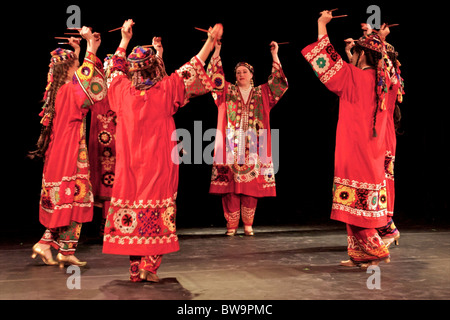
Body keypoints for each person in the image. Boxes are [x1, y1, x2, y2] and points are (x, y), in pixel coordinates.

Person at [102, 19, 223, 282]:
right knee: (156, 212)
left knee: (130, 211)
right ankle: (150, 266)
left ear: (133, 72)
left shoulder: (122, 92)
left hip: (129, 168)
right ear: (155, 69)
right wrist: (210, 41)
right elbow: (193, 67)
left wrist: (123, 39)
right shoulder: (165, 90)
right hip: (159, 165)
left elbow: (113, 69)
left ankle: (135, 269)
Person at [301, 10, 404, 268]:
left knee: (354, 203)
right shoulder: (387, 84)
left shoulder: (353, 77)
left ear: (361, 56)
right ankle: (359, 254)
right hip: (374, 151)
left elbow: (324, 60)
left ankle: (375, 250)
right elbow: (385, 63)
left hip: (353, 149)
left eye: (355, 54)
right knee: (356, 202)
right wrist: (376, 38)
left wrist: (321, 24)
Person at [29, 27, 106, 268]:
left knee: (72, 202)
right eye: (74, 64)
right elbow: (88, 83)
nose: (77, 67)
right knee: (74, 199)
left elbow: (82, 77)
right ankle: (55, 247)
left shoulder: (58, 91)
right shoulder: (70, 91)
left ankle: (59, 248)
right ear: (68, 70)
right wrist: (91, 47)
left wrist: (80, 49)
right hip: (69, 153)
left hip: (61, 152)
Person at [207, 40, 288, 236]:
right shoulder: (227, 92)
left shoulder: (262, 93)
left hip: (255, 146)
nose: (240, 75)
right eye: (237, 72)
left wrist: (275, 55)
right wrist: (217, 50)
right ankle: (231, 225)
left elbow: (279, 84)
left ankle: (248, 224)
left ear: (252, 75)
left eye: (244, 71)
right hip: (230, 145)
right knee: (231, 187)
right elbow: (213, 78)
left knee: (251, 186)